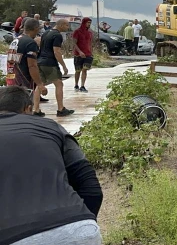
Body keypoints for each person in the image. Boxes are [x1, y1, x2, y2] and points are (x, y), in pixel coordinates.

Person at [0, 85, 104, 244]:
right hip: (79, 228)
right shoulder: (51, 127)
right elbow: (91, 189)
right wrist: (81, 224)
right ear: (28, 109)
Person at [33, 19, 74, 117]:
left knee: (40, 85)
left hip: (40, 62)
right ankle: (61, 109)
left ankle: (36, 110)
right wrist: (64, 66)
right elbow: (57, 52)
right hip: (50, 63)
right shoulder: (57, 35)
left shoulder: (46, 33)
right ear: (61, 25)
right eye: (67, 25)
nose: (68, 27)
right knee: (59, 84)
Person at [8, 19, 48, 100]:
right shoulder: (30, 43)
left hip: (12, 78)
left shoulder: (16, 40)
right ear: (36, 28)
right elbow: (32, 66)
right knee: (25, 107)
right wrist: (40, 84)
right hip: (23, 81)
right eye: (39, 29)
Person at [72, 17, 93, 93]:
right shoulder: (77, 32)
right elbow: (74, 43)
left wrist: (91, 52)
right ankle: (76, 84)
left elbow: (90, 43)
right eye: (88, 23)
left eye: (90, 23)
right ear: (84, 23)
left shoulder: (90, 33)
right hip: (78, 54)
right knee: (78, 70)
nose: (89, 24)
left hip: (88, 54)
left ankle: (82, 85)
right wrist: (79, 52)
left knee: (85, 69)